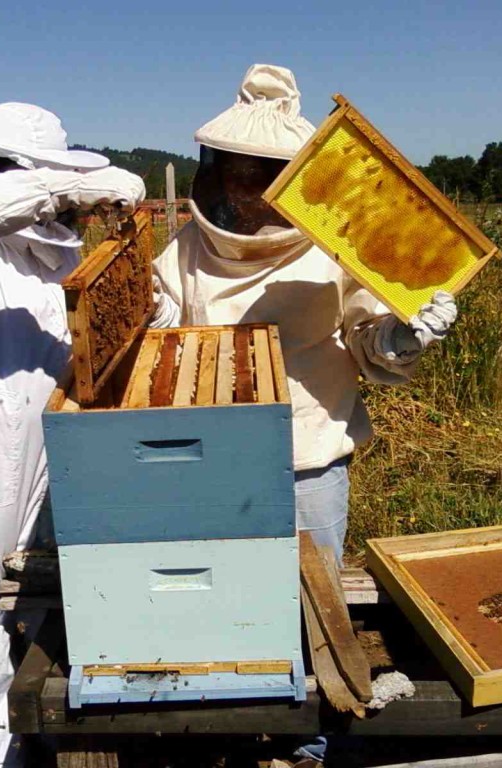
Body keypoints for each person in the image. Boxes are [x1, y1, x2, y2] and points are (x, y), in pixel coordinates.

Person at [0, 102, 145, 768]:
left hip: (57, 441)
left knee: (48, 592)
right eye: (46, 185)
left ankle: (54, 727)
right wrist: (71, 185)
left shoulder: (51, 252)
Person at [151, 64, 457, 564]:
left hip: (307, 455)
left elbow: (367, 332)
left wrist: (402, 335)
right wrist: (151, 309)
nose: (251, 189)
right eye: (239, 173)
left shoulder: (337, 248)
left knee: (315, 606)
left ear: (296, 179)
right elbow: (166, 327)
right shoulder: (190, 245)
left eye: (265, 176)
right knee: (230, 596)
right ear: (218, 171)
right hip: (212, 453)